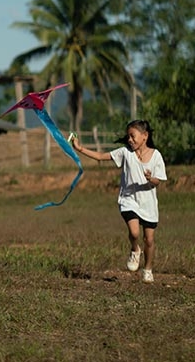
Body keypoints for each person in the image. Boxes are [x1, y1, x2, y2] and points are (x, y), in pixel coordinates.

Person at [71, 120, 167, 283]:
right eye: (128, 136)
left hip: (148, 203)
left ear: (145, 136)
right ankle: (135, 249)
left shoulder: (156, 155)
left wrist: (151, 178)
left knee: (149, 240)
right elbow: (101, 156)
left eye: (132, 136)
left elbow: (159, 180)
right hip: (128, 200)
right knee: (135, 232)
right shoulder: (125, 152)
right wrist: (80, 149)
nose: (129, 139)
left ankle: (148, 269)